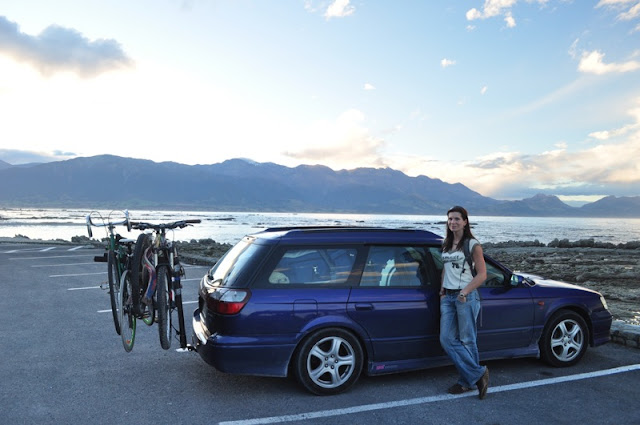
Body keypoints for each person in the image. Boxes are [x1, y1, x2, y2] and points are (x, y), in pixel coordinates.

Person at [439, 205, 490, 399]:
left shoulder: (472, 244)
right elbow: (446, 268)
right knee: (446, 339)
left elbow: (482, 274)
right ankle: (478, 374)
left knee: (467, 340)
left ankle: (466, 382)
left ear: (465, 222)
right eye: (450, 219)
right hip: (448, 297)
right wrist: (442, 290)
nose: (452, 222)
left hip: (465, 297)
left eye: (456, 219)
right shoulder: (446, 243)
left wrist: (464, 292)